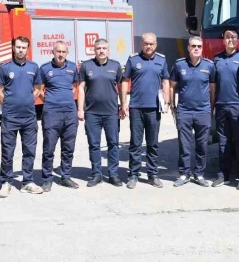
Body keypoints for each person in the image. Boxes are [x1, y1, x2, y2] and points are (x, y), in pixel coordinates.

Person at [0, 36, 44, 196]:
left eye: (23, 47)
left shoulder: (34, 67)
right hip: (10, 117)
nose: (20, 50)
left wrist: (31, 98)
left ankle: (27, 181)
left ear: (27, 49)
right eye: (18, 47)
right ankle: (6, 182)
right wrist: (8, 104)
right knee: (7, 152)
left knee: (29, 151)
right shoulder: (5, 67)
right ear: (13, 48)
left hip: (29, 117)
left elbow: (38, 87)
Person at [120, 32, 170, 189]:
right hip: (136, 107)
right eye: (146, 43)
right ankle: (133, 174)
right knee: (135, 143)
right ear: (141, 44)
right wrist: (123, 102)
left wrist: (167, 101)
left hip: (154, 108)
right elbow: (124, 81)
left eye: (151, 43)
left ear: (155, 45)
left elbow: (166, 81)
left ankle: (152, 174)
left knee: (152, 143)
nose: (148, 46)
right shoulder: (133, 60)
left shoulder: (162, 60)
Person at [170, 36, 216, 187]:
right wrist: (172, 106)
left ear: (202, 48)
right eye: (193, 46)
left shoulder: (209, 66)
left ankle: (199, 174)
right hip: (184, 111)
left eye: (199, 46)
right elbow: (172, 86)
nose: (196, 48)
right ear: (188, 48)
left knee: (202, 145)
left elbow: (213, 90)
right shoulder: (179, 65)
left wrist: (211, 107)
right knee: (185, 145)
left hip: (203, 111)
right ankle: (184, 174)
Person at [78, 38, 124, 187]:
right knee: (94, 145)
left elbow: (122, 85)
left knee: (113, 144)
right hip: (92, 113)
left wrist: (123, 105)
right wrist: (80, 109)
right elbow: (81, 88)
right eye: (98, 48)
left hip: (111, 113)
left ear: (108, 50)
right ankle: (96, 174)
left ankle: (113, 174)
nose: (101, 51)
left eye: (104, 48)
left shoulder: (115, 66)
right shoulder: (86, 66)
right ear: (94, 50)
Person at [36, 41, 80, 192]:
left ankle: (65, 177)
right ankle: (47, 179)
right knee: (49, 147)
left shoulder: (73, 67)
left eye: (63, 52)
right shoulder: (45, 68)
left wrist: (66, 99)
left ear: (67, 53)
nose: (60, 54)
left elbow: (75, 87)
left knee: (68, 147)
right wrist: (49, 101)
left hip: (69, 113)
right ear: (53, 52)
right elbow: (39, 89)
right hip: (51, 113)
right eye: (58, 51)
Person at [212, 28, 239, 189]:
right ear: (223, 40)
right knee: (223, 142)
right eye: (228, 37)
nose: (231, 40)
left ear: (238, 40)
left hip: (238, 106)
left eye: (234, 37)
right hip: (221, 106)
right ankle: (223, 175)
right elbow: (213, 86)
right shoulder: (217, 59)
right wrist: (212, 105)